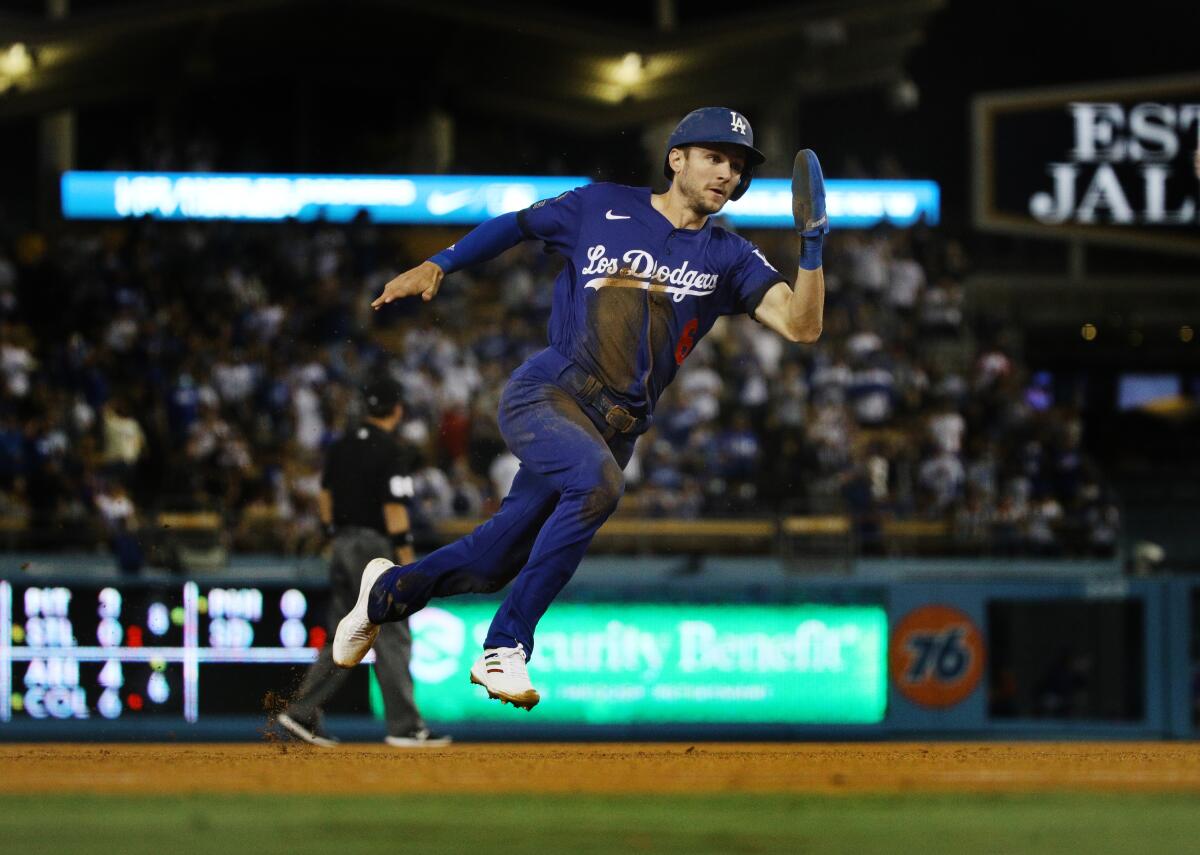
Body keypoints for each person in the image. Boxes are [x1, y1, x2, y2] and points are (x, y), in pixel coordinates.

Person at [333, 107, 828, 710]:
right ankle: (504, 646)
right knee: (598, 484)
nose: (728, 173)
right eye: (714, 157)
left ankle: (383, 595)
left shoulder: (730, 257)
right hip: (549, 393)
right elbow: (516, 224)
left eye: (738, 165)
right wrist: (441, 263)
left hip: (615, 427)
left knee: (492, 561)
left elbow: (802, 326)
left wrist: (811, 245)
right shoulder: (600, 205)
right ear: (677, 159)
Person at [277, 379, 450, 746]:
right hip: (375, 547)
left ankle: (301, 712)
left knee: (346, 632)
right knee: (393, 633)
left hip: (341, 544)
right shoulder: (391, 449)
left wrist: (333, 534)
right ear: (396, 411)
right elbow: (393, 509)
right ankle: (405, 727)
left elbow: (324, 496)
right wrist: (406, 565)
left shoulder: (340, 447)